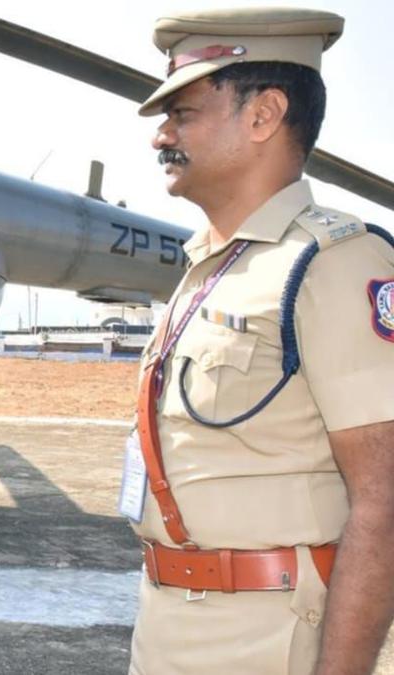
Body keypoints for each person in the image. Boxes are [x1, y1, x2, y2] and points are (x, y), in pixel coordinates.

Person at [125, 8, 394, 674]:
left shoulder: (332, 263)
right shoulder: (209, 268)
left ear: (264, 114)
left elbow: (384, 499)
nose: (162, 135)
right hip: (168, 626)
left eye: (182, 113)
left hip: (266, 644)